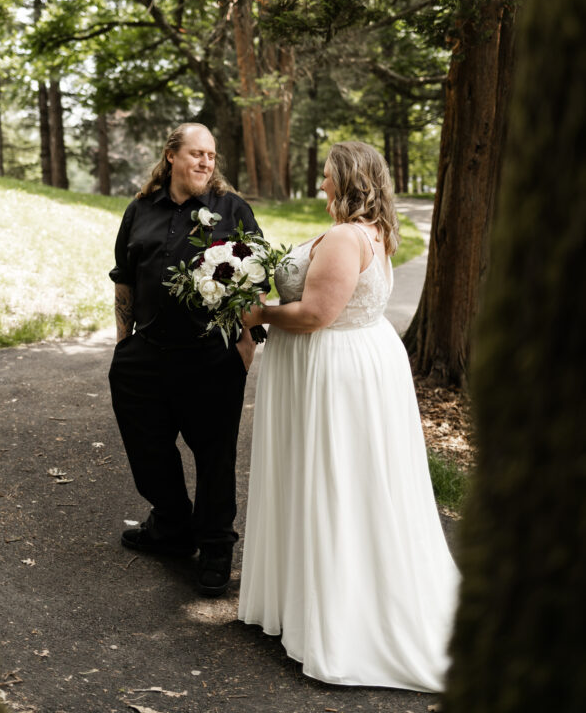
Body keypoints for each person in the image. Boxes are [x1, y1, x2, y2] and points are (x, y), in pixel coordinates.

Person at [238, 141, 460, 691]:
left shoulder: (344, 236)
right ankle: (314, 600)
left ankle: (342, 620)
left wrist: (257, 310)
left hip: (330, 369)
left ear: (348, 179)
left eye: (327, 177)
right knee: (351, 484)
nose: (321, 186)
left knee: (333, 482)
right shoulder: (373, 232)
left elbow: (315, 314)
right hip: (351, 362)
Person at [108, 123, 263, 598]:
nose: (205, 163)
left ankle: (215, 545)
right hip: (146, 355)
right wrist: (122, 344)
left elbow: (256, 279)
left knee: (214, 457)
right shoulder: (140, 209)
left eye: (211, 156)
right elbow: (124, 279)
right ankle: (172, 526)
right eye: (196, 154)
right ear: (171, 155)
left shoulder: (231, 210)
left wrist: (245, 347)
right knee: (148, 449)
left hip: (209, 360)